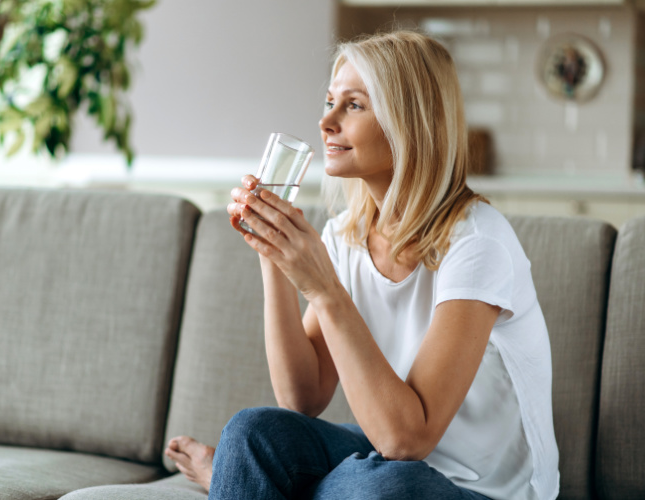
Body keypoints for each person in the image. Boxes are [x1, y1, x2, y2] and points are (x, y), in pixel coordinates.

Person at [165, 30, 559, 500]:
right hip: (386, 463)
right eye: (330, 101)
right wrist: (272, 253)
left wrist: (326, 290)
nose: (325, 120)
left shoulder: (477, 242)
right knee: (252, 434)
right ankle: (244, 474)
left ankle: (238, 482)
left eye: (353, 105)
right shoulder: (348, 235)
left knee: (382, 487)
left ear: (409, 123)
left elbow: (407, 440)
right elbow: (302, 398)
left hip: (479, 489)